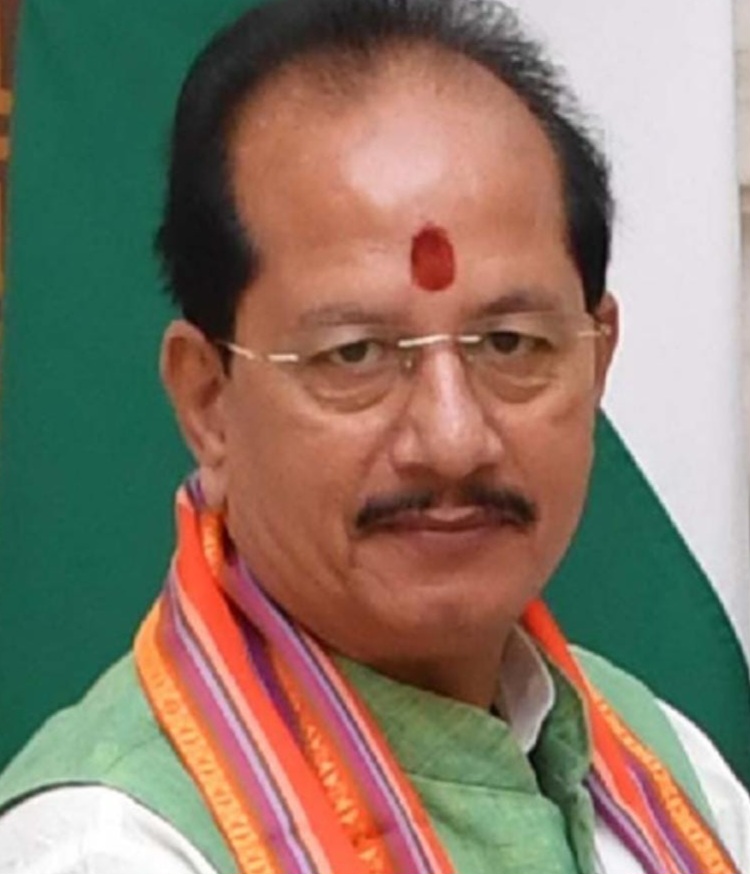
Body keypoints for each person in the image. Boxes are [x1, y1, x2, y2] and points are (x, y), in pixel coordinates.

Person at [0, 0, 748, 871]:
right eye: (355, 354)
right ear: (208, 403)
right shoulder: (109, 846)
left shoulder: (669, 770)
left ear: (598, 357)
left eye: (510, 344)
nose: (453, 439)